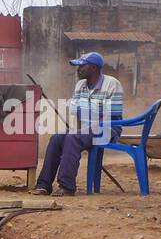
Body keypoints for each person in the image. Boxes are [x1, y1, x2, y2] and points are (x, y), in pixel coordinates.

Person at [32, 52, 123, 197]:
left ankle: (67, 186)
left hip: (107, 128)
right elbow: (77, 115)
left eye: (82, 66)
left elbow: (109, 116)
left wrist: (81, 132)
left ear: (93, 68)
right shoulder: (80, 85)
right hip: (85, 130)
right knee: (57, 138)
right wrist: (76, 130)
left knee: (72, 138)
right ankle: (44, 185)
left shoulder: (112, 84)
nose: (78, 69)